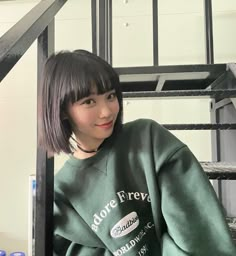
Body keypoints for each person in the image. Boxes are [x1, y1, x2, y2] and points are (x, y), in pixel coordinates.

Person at [38, 49, 236, 256]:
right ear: (62, 110)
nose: (107, 111)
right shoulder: (63, 193)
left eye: (110, 96)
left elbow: (195, 226)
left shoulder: (147, 139)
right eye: (89, 101)